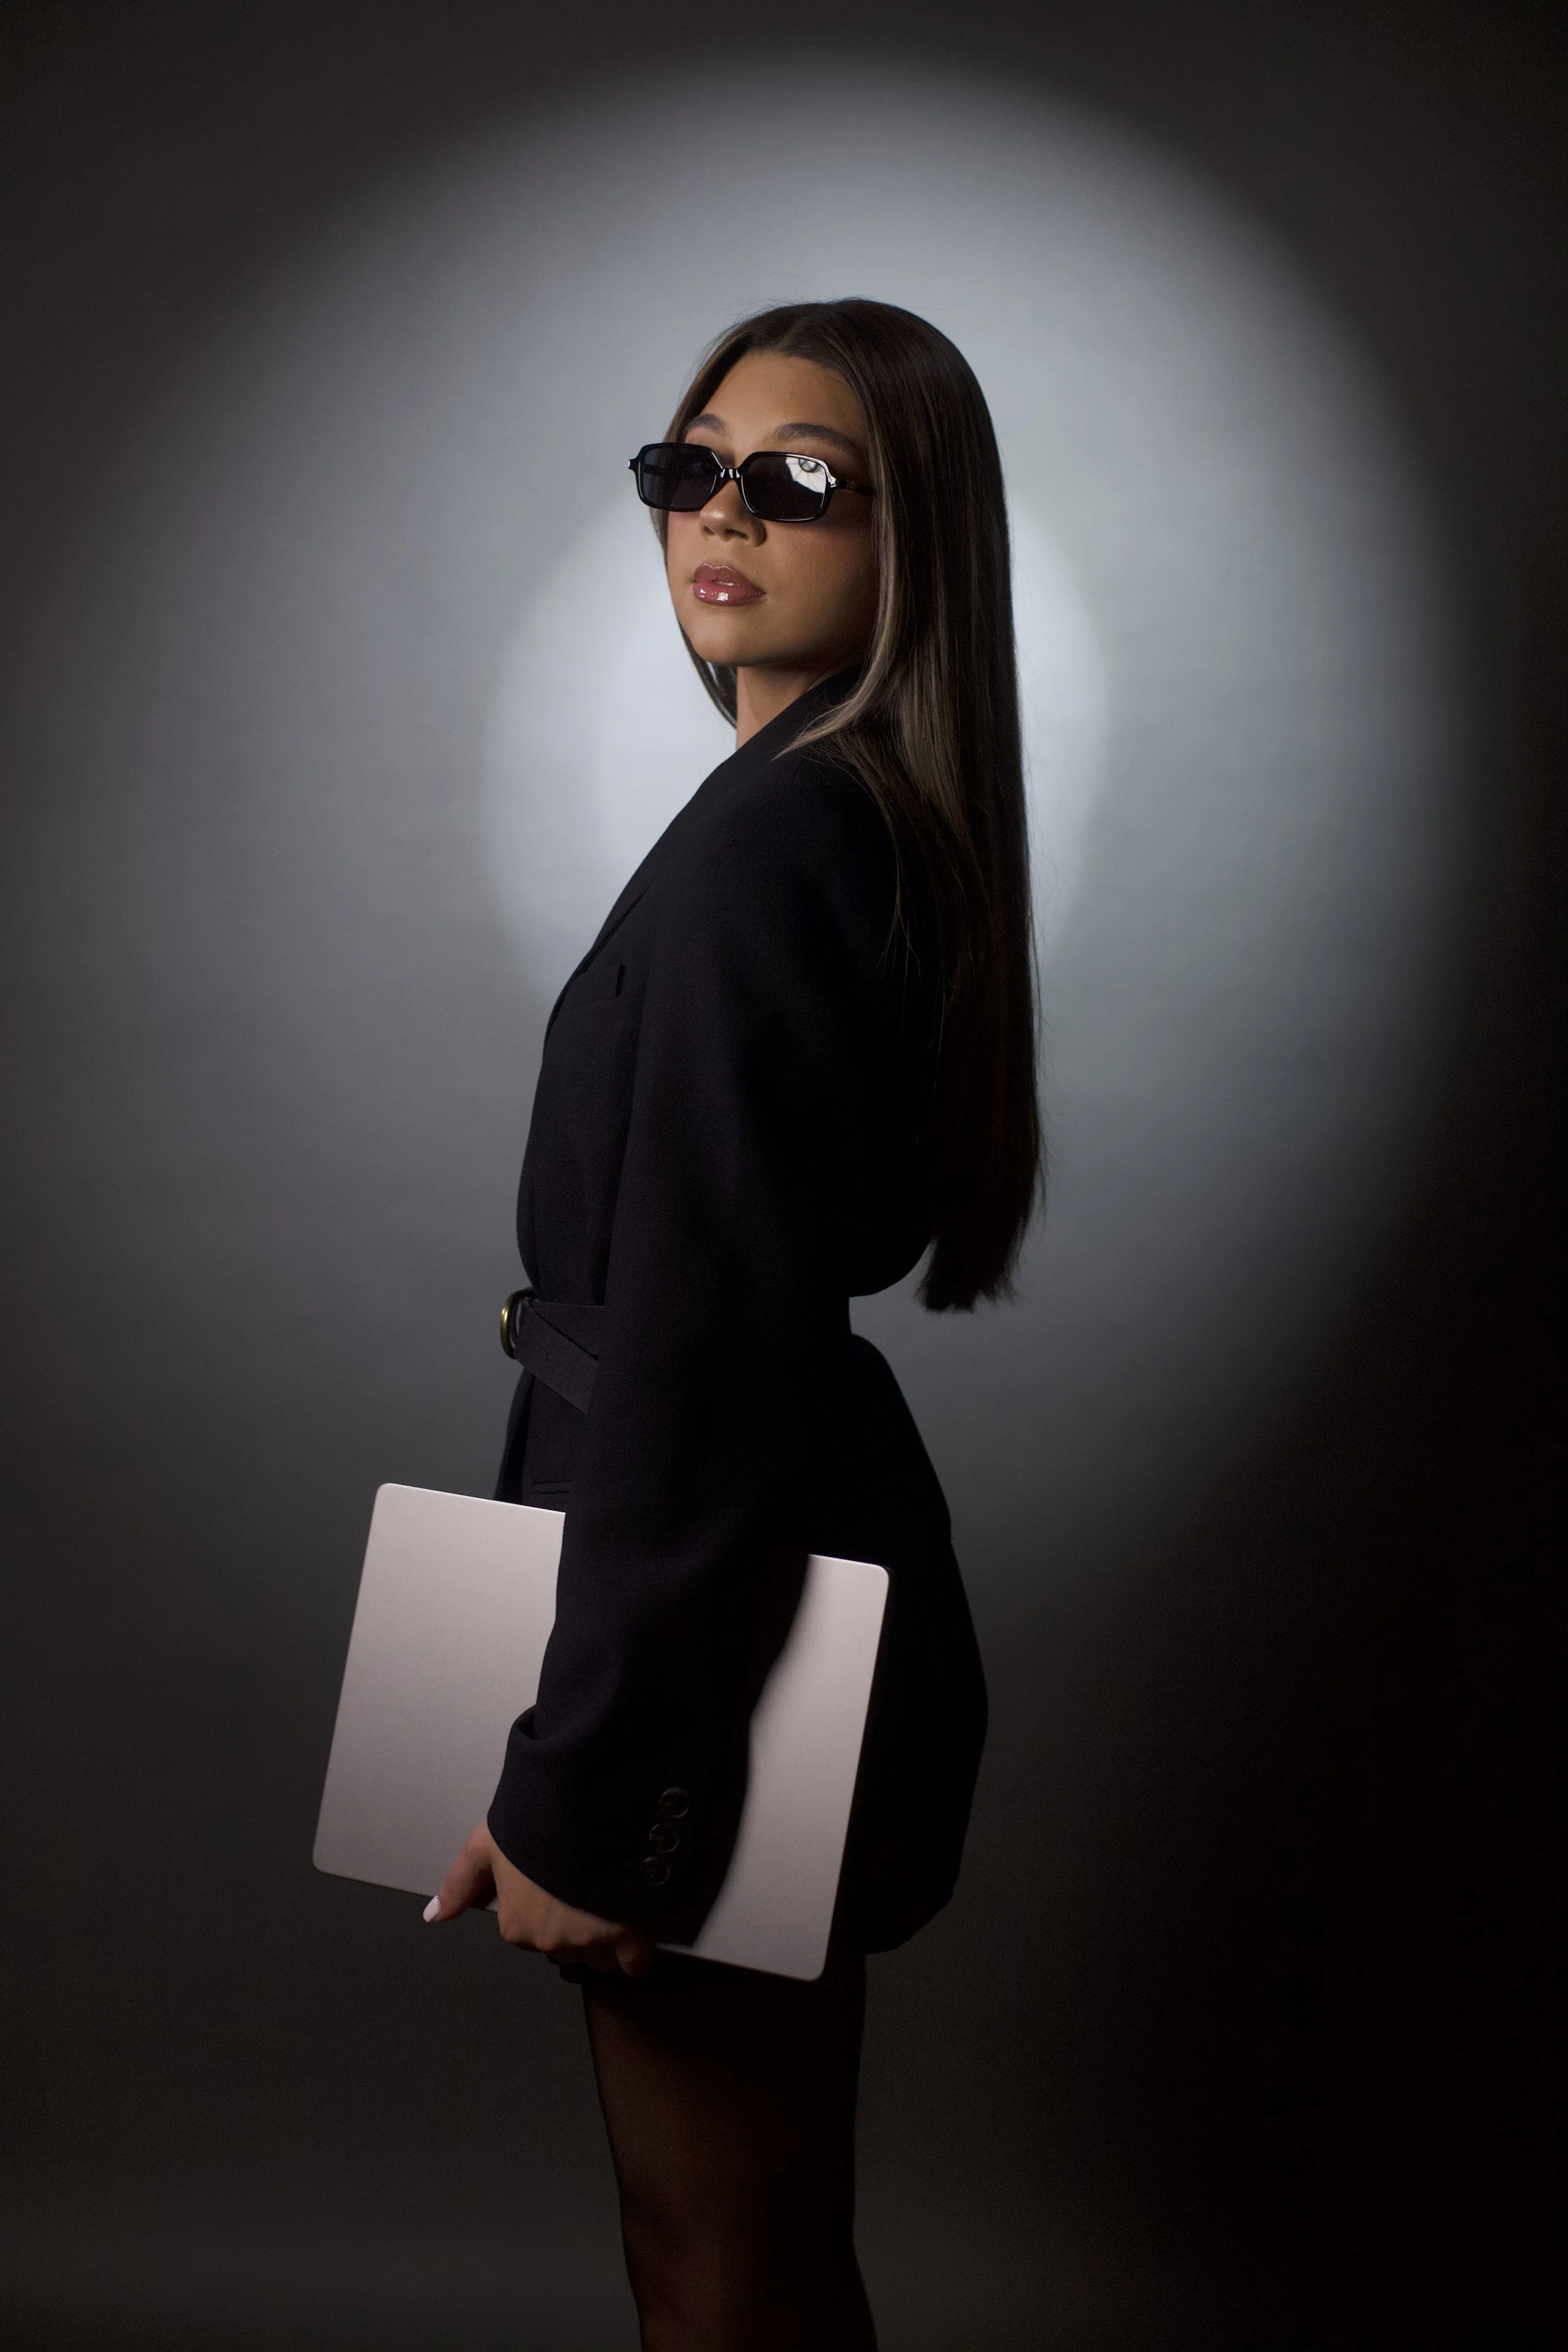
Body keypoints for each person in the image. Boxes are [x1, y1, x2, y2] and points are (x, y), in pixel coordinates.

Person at [426, 298, 1041, 2351]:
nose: (722, 510)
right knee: (756, 2244)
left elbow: (700, 1355)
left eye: (801, 480)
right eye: (687, 465)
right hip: (751, 1575)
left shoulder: (779, 843)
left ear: (911, 534)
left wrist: (589, 1783)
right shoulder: (840, 809)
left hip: (710, 1615)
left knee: (713, 2258)